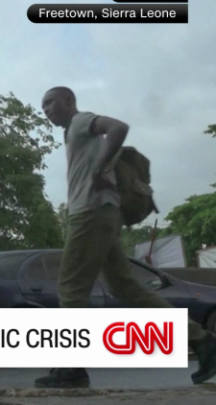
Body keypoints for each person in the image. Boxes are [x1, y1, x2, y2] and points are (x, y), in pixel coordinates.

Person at [34, 86, 216, 388]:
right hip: (103, 214)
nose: (47, 110)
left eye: (50, 103)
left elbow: (118, 127)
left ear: (67, 100)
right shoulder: (72, 133)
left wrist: (103, 165)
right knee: (127, 288)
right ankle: (203, 341)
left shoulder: (80, 122)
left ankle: (72, 368)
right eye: (43, 107)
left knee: (70, 289)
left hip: (90, 214)